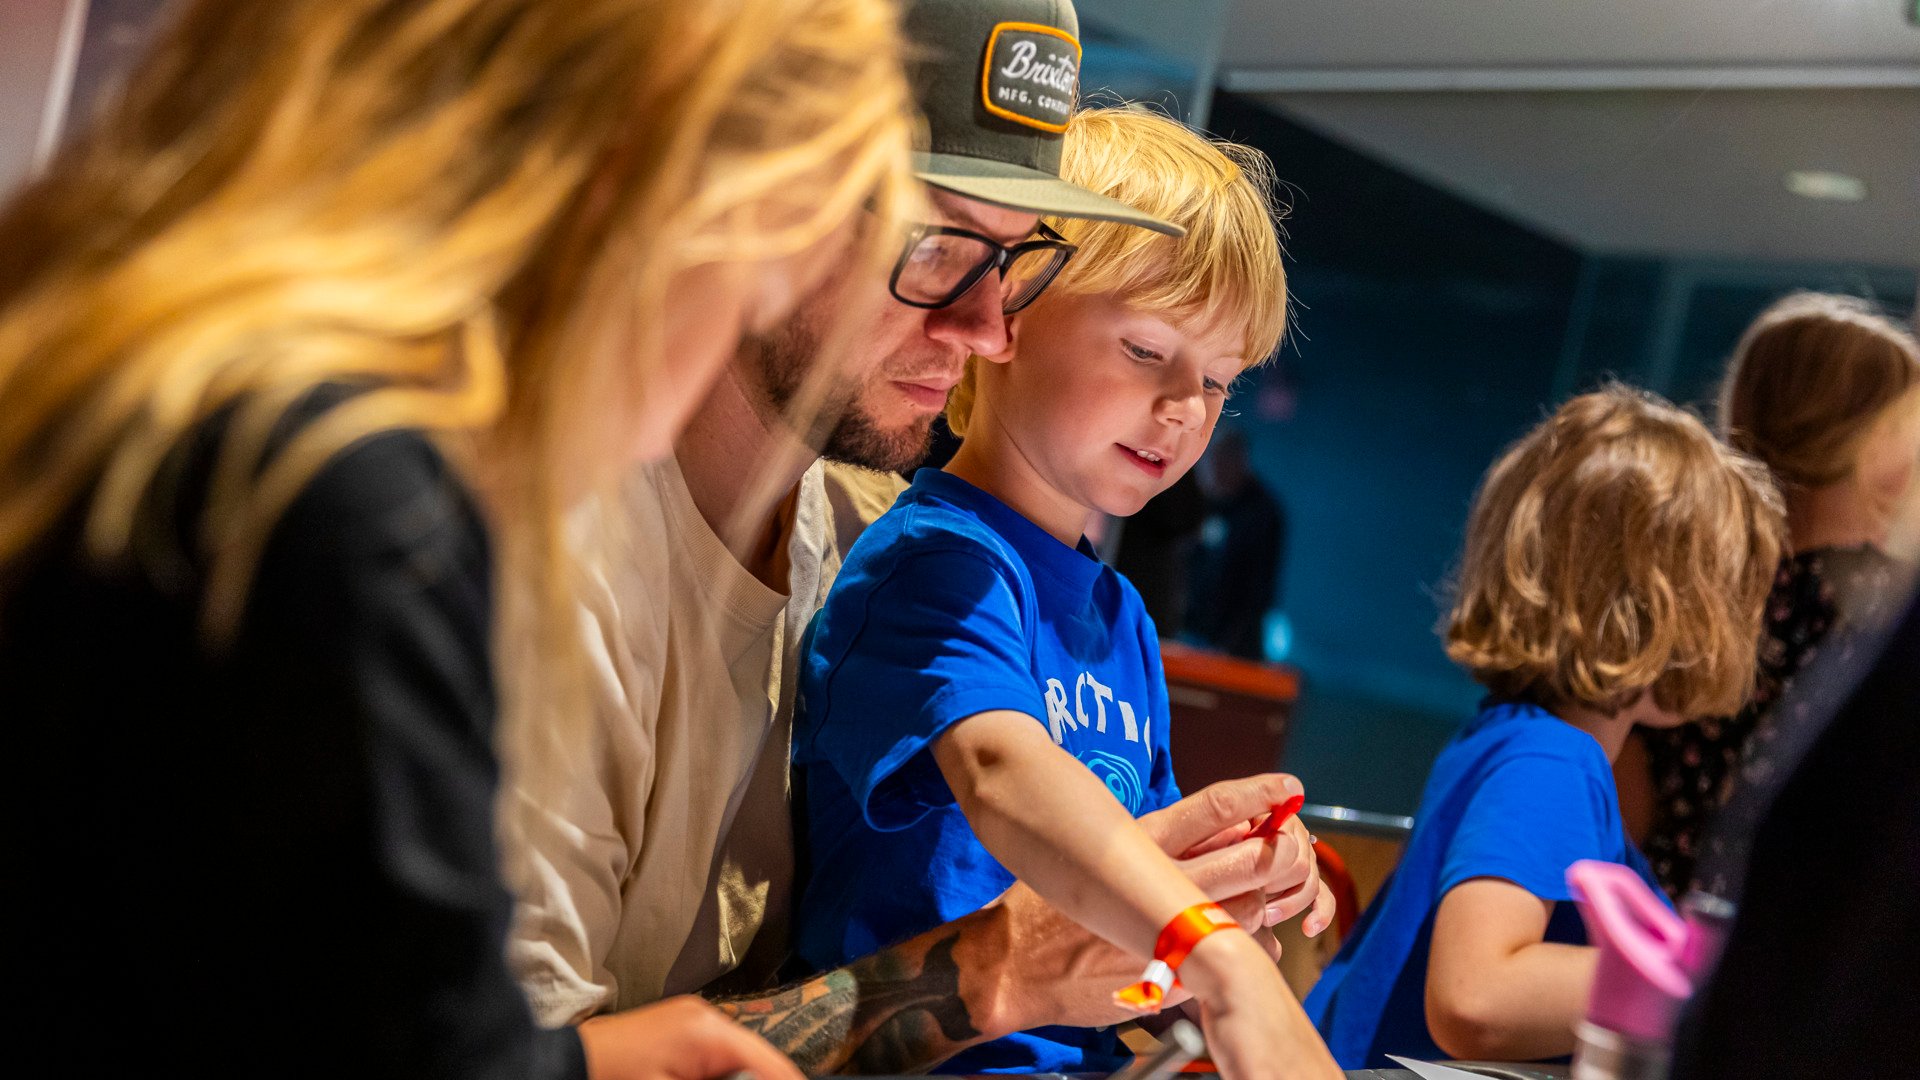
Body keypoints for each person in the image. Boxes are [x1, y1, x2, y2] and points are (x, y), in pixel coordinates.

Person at [0, 0, 917, 1076]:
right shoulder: (348, 505)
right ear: (627, 195)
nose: (690, 394)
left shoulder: (173, 376)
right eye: (753, 289)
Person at [504, 1, 1328, 1073]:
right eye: (936, 245)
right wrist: (1019, 968)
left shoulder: (847, 518)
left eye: (1014, 259)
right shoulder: (553, 581)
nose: (988, 327)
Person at [789, 104, 1340, 1080]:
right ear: (1008, 315)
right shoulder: (938, 562)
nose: (1183, 409)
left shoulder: (1119, 616)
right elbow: (1000, 767)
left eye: (1218, 382)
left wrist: (1249, 865)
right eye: (1145, 350)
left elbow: (1141, 867)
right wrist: (1216, 956)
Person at [1303, 385, 1786, 1069]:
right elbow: (1476, 999)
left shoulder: (1512, 740)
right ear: (1657, 603)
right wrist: (1710, 976)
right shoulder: (1551, 762)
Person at [1619, 292, 1920, 897]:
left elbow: (1624, 809)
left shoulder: (1673, 590)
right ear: (1880, 444)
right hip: (1787, 944)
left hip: (1657, 931)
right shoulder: (1873, 613)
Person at [1189, 427, 1287, 660]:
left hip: (1236, 646)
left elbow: (1258, 589)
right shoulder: (1204, 501)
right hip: (1190, 633)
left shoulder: (1263, 512)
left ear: (1238, 460)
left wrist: (1228, 644)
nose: (1213, 469)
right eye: (1209, 460)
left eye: (1219, 460)